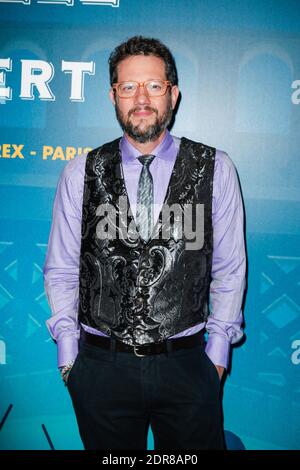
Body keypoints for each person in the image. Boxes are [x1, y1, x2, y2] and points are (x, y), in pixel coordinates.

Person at [43, 35, 246, 450]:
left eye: (153, 86)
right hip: (101, 366)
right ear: (113, 95)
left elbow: (229, 269)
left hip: (188, 366)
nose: (141, 98)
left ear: (173, 94)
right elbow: (62, 267)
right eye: (128, 86)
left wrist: (217, 359)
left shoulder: (217, 168)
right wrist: (70, 360)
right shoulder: (79, 171)